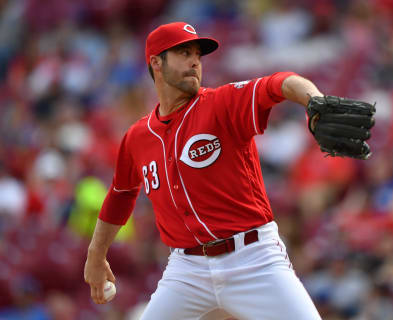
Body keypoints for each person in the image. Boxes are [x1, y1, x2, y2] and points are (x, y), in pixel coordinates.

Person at [84, 21, 335, 320]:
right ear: (156, 62)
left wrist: (314, 100)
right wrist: (96, 256)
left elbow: (281, 82)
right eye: (183, 52)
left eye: (198, 55)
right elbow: (120, 196)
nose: (194, 60)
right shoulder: (137, 137)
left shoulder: (221, 104)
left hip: (253, 259)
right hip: (186, 270)